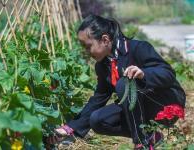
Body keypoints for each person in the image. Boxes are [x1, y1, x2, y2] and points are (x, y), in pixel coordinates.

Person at [47, 14, 186, 149]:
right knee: (97, 120)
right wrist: (70, 127)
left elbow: (168, 74)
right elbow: (98, 99)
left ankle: (142, 143)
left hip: (166, 103)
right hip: (141, 109)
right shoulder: (103, 65)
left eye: (88, 46)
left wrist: (144, 75)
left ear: (105, 40)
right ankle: (151, 136)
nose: (86, 51)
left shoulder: (138, 48)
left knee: (124, 84)